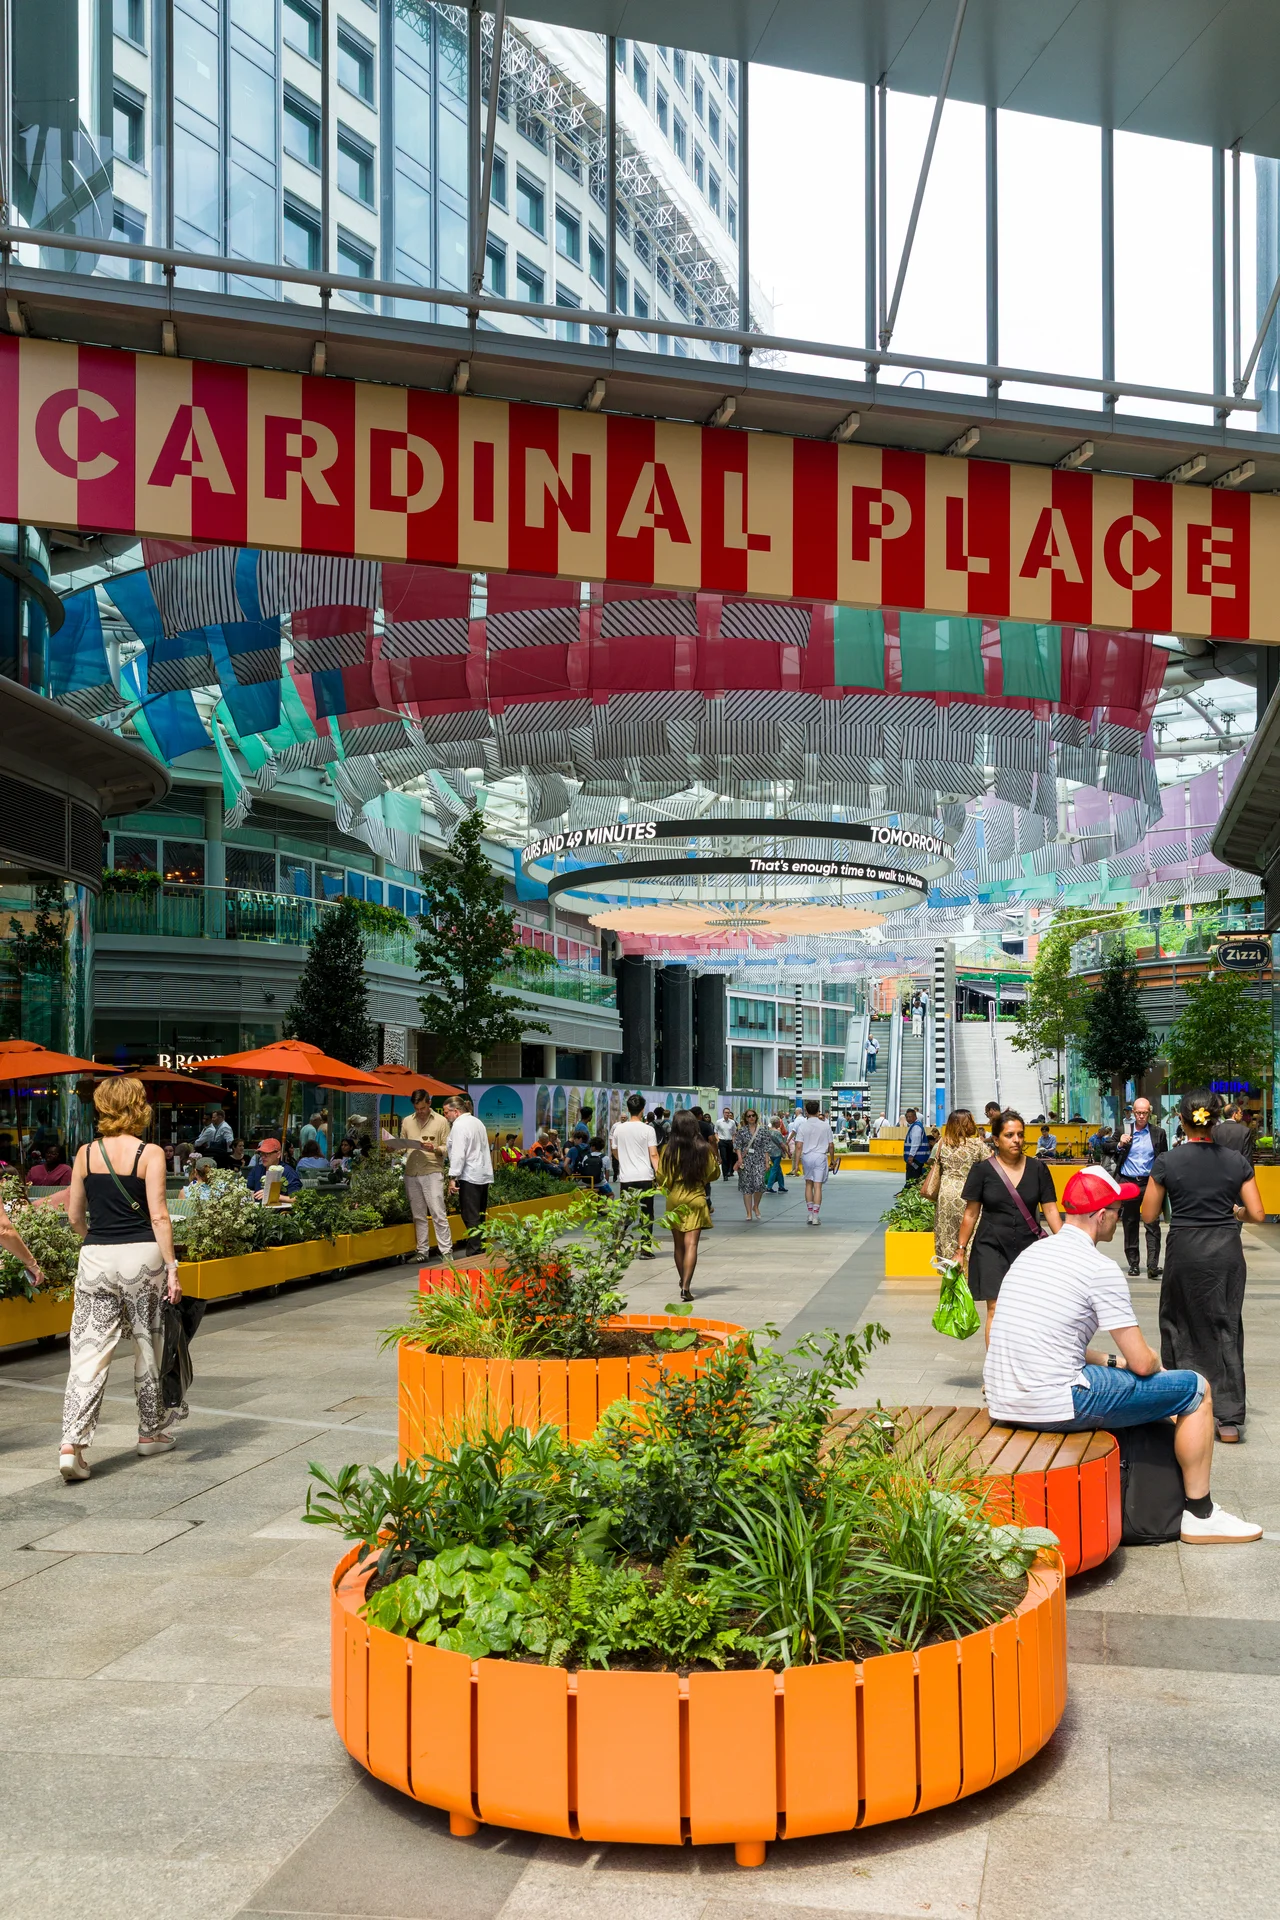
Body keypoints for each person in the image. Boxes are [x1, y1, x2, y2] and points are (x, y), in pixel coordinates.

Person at [983, 1166, 1260, 1544]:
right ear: (1100, 1217)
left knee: (1156, 1390)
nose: (1121, 1216)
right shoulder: (1098, 1268)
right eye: (1117, 1209)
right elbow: (1145, 1363)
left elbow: (1055, 1340)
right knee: (1194, 1390)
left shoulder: (1035, 1253)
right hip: (1056, 1402)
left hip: (1004, 1399)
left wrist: (1113, 1362)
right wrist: (1150, 1367)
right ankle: (1201, 1513)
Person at [59, 1077, 181, 1483]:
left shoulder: (84, 1153)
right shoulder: (150, 1153)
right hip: (142, 1257)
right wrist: (173, 1267)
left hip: (95, 1256)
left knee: (89, 1350)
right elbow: (160, 1214)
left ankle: (72, 1444)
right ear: (138, 1106)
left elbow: (76, 1216)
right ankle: (151, 1432)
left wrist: (95, 1243)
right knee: (150, 1344)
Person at [1142, 1089, 1264, 1444]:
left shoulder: (1167, 1161)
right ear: (1215, 1122)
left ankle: (1182, 1403)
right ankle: (1227, 1418)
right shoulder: (1235, 1161)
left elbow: (1149, 1214)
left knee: (1178, 1323)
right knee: (1226, 1326)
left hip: (1184, 1249)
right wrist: (1235, 1212)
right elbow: (1256, 1213)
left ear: (1182, 1120)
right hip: (1225, 1251)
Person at [957, 1108, 1063, 1346]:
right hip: (990, 1246)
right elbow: (971, 1214)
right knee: (994, 1308)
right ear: (995, 1140)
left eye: (1020, 1134)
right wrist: (960, 1249)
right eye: (1009, 1135)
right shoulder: (982, 1171)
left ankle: (1022, 1367)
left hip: (1029, 1249)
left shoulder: (1038, 1169)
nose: (1016, 1140)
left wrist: (1068, 1241)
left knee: (1027, 1310)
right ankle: (994, 1373)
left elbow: (1051, 1209)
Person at [658, 1108, 720, 1301]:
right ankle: (686, 1286)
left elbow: (661, 1176)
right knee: (691, 1244)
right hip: (696, 1197)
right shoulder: (703, 1148)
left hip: (675, 1197)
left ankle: (681, 1279)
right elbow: (714, 1173)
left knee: (678, 1246)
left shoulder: (667, 1150)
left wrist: (670, 1185)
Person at [1106, 1095, 1168, 1277]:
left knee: (1152, 1223)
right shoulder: (1124, 1130)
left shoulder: (1158, 1133)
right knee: (1130, 1222)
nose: (1141, 1116)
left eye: (1144, 1113)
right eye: (1138, 1113)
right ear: (1133, 1113)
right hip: (1128, 1181)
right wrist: (1119, 1143)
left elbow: (1163, 1158)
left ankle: (1152, 1265)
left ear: (1150, 1113)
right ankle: (1133, 1263)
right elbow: (1106, 1147)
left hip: (1150, 1183)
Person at [394, 1088, 453, 1265]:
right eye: (417, 1109)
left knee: (438, 1212)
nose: (420, 1112)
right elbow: (403, 1145)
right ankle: (422, 1250)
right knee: (418, 1214)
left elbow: (448, 1148)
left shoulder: (441, 1121)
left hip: (432, 1170)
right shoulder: (407, 1121)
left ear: (429, 1103)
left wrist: (434, 1149)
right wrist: (395, 1146)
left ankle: (446, 1251)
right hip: (411, 1171)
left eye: (423, 1108)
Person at [927, 1110, 990, 1263]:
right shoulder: (976, 1144)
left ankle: (950, 1271)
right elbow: (991, 1164)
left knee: (947, 1232)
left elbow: (933, 1164)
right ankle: (968, 1267)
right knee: (971, 1231)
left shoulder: (942, 1143)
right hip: (970, 1194)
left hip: (946, 1194)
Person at [610, 1093, 659, 1257]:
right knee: (647, 1213)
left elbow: (614, 1151)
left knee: (625, 1213)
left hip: (626, 1178)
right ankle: (645, 1248)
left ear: (628, 1109)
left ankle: (616, 1247)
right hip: (645, 1177)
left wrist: (624, 1160)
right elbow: (653, 1154)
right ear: (643, 1109)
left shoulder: (618, 1129)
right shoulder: (648, 1129)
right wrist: (658, 1174)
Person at [445, 1094, 493, 1256]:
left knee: (470, 1215)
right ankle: (481, 1247)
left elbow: (459, 1153)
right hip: (482, 1174)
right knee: (479, 1214)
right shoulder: (477, 1122)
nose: (446, 1116)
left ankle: (474, 1251)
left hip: (469, 1175)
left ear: (456, 1112)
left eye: (446, 1113)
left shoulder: (459, 1125)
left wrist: (453, 1178)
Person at [788, 1099, 836, 1227]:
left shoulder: (803, 1126)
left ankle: (810, 1214)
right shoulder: (825, 1125)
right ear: (818, 1110)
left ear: (806, 1111)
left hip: (807, 1157)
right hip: (820, 1156)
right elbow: (831, 1145)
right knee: (818, 1186)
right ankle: (815, 1216)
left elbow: (798, 1146)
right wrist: (832, 1160)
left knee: (808, 1184)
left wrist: (796, 1164)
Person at [733, 1109, 771, 1221]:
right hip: (746, 1161)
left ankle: (756, 1206)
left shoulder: (763, 1130)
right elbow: (738, 1146)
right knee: (747, 1187)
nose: (751, 1118)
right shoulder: (742, 1131)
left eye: (753, 1115)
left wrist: (767, 1161)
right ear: (745, 1118)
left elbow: (766, 1146)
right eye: (748, 1116)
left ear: (756, 1117)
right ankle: (748, 1213)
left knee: (759, 1184)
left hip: (759, 1159)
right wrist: (740, 1159)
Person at [1214, 1101, 1257, 1167]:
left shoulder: (1214, 1130)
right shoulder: (1244, 1131)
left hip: (1219, 1169)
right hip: (1238, 1170)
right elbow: (1247, 1156)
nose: (1242, 1115)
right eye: (1240, 1112)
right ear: (1234, 1114)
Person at [902, 1108, 930, 1183]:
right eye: (907, 1117)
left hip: (915, 1159)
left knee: (912, 1179)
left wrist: (911, 1156)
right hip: (916, 1158)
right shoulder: (915, 1126)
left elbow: (915, 1143)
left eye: (910, 1117)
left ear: (915, 1116)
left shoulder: (916, 1127)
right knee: (913, 1177)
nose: (908, 1119)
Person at [764, 1115, 788, 1193]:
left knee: (778, 1169)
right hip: (777, 1153)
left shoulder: (768, 1131)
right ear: (776, 1123)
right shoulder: (777, 1132)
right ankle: (769, 1186)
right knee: (774, 1169)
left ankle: (781, 1186)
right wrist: (787, 1152)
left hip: (771, 1152)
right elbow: (781, 1144)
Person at [715, 1106, 737, 1186]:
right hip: (722, 1141)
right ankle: (725, 1175)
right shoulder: (719, 1122)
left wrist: (733, 1141)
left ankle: (728, 1170)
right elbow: (716, 1132)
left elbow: (734, 1132)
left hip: (729, 1141)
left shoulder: (732, 1122)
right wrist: (718, 1140)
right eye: (726, 1113)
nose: (727, 1114)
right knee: (724, 1157)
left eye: (728, 1113)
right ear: (723, 1113)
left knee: (729, 1157)